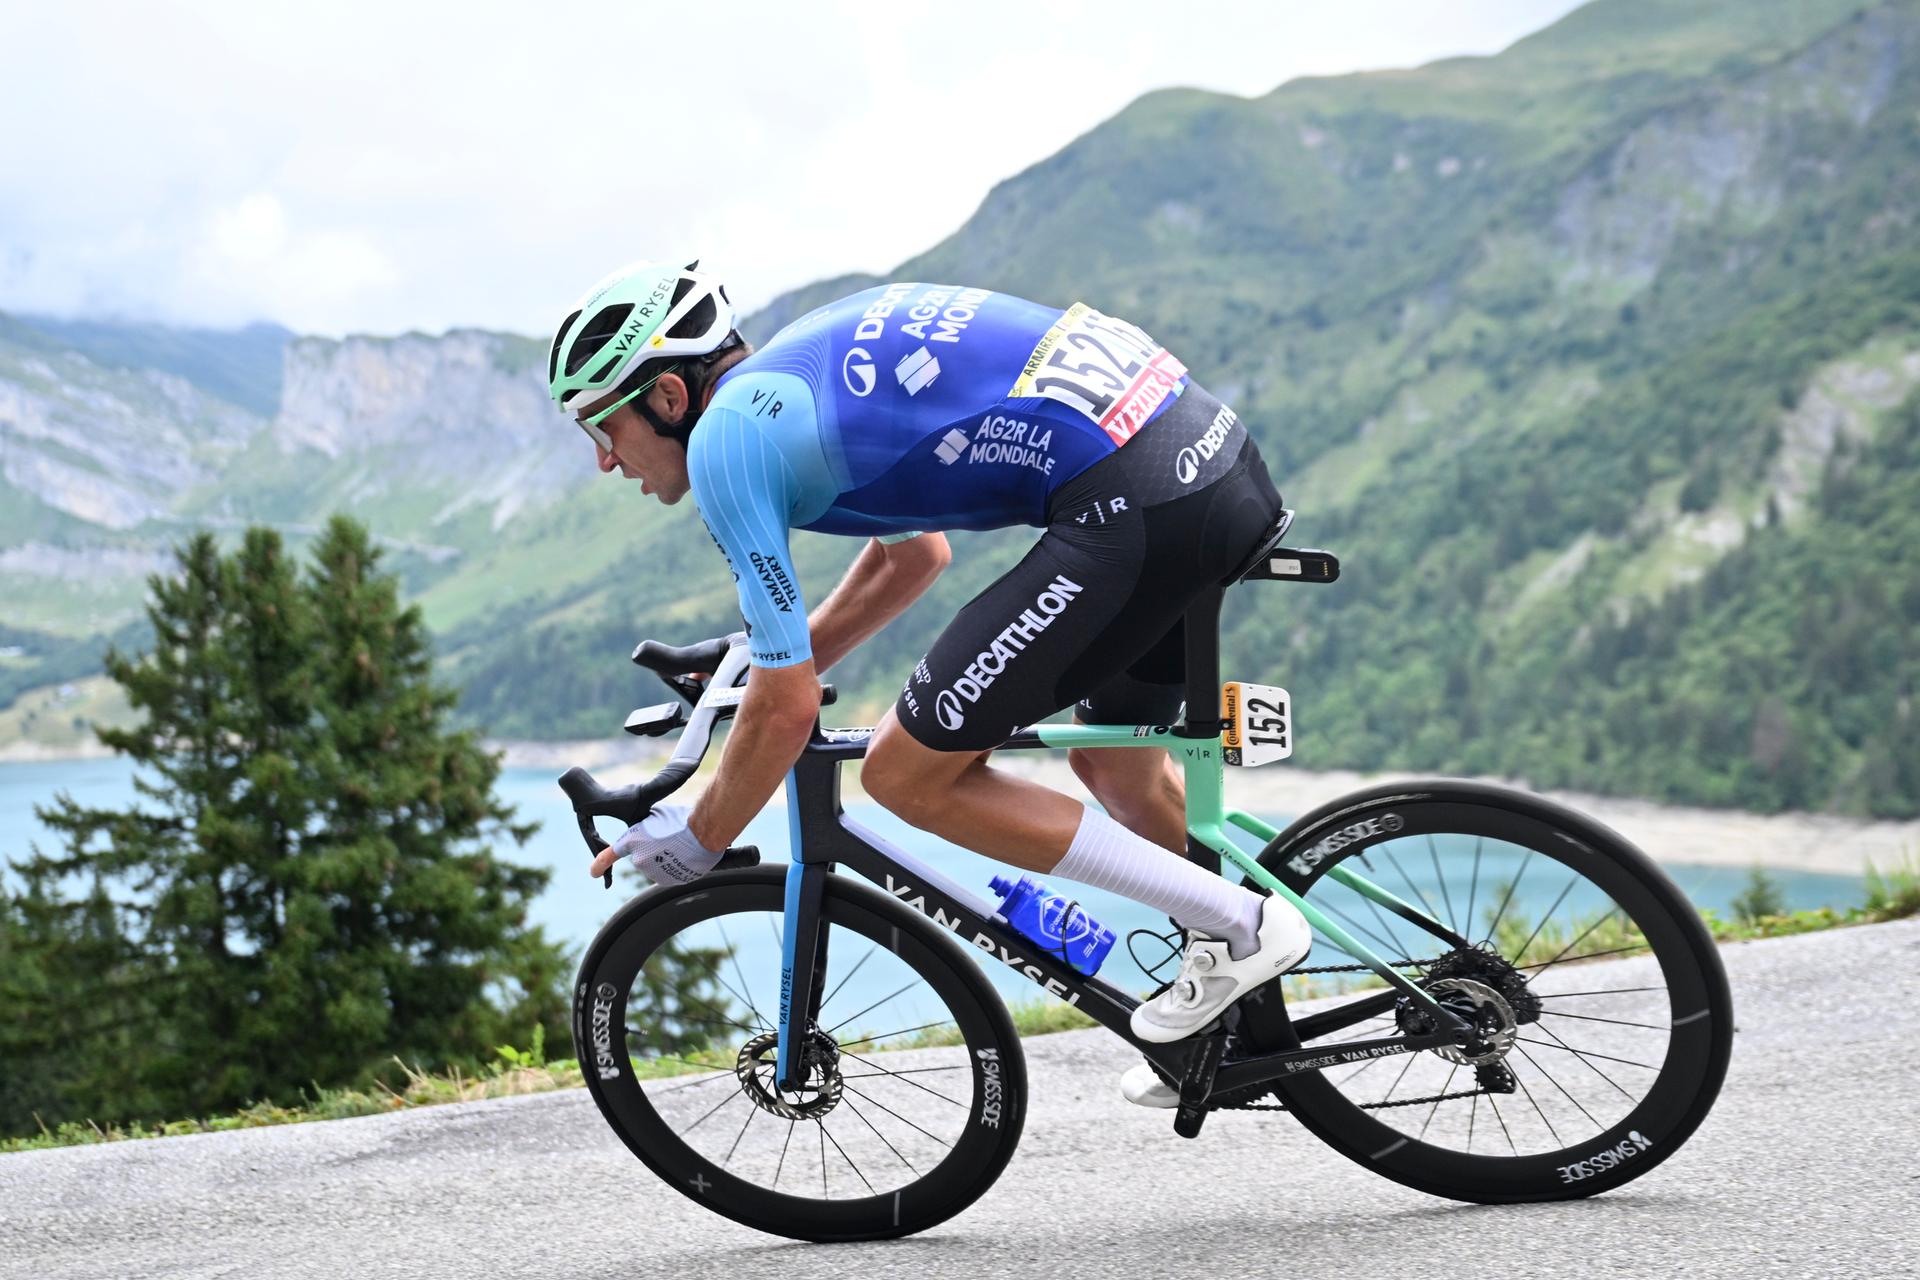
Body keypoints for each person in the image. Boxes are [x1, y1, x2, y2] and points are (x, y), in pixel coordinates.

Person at [548, 260, 1311, 1105]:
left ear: (664, 397)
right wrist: (762, 664)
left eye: (600, 427)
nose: (605, 463)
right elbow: (909, 558)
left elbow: (788, 705)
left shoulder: (730, 438)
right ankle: (1242, 998)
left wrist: (695, 839)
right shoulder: (794, 374)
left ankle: (1243, 928)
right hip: (1206, 465)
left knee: (904, 773)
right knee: (1117, 771)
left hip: (1131, 506)